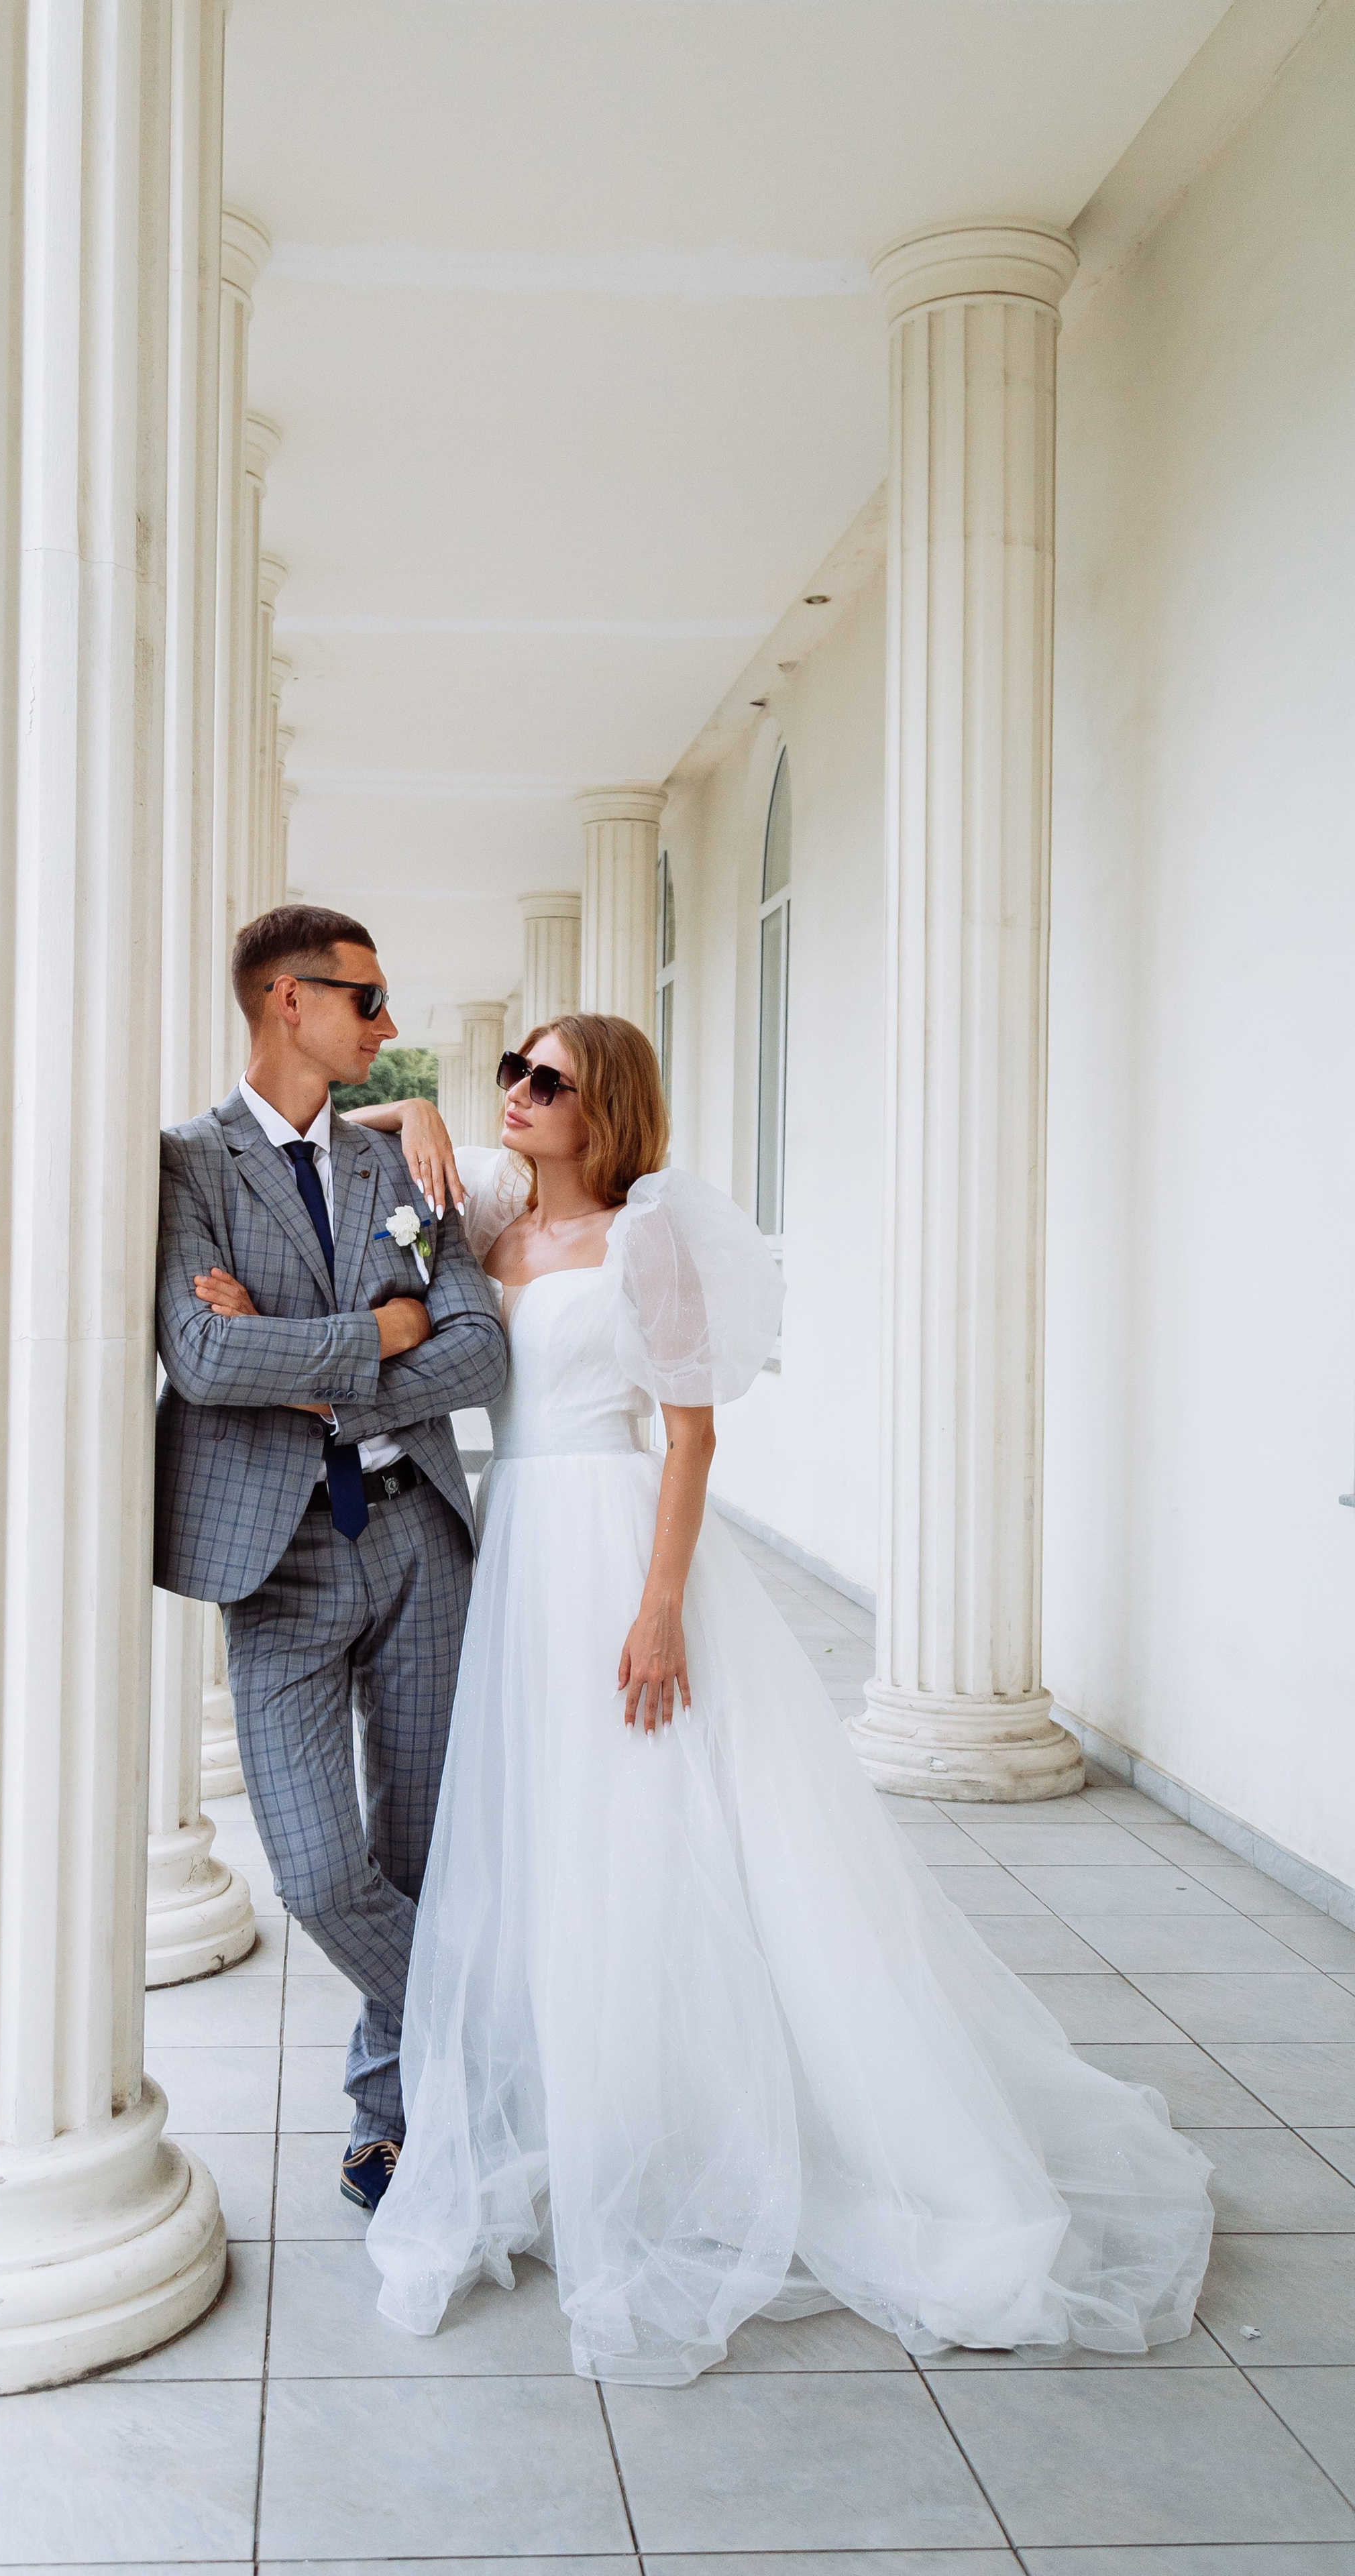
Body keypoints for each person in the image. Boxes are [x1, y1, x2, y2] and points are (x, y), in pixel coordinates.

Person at [346, 1012, 1213, 2385]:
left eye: (547, 1079)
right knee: (556, 1840)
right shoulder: (488, 1228)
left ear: (606, 1104)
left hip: (612, 1540)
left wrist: (655, 1606)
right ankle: (588, 2109)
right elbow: (304, 1147)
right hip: (512, 1549)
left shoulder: (644, 1236)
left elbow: (688, 1433)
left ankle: (707, 2129)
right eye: (508, 1067)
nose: (515, 1090)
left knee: (660, 1832)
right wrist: (409, 1115)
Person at [154, 905, 507, 2211]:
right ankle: (499, 2032)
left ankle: (394, 2114)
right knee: (314, 1872)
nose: (388, 1024)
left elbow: (478, 1350)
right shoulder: (183, 1166)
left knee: (418, 1853)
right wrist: (376, 1332)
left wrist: (314, 1371)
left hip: (420, 1539)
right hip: (278, 1562)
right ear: (285, 1004)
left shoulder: (404, 1171)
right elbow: (201, 1361)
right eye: (365, 1001)